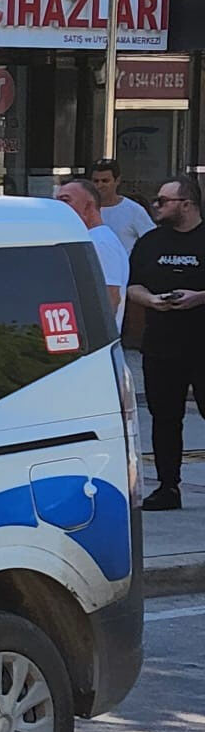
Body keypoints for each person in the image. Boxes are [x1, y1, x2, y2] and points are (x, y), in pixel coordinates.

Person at [126, 176, 205, 511]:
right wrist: (153, 300)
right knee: (164, 417)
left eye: (163, 200)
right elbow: (133, 286)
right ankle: (168, 487)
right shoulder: (150, 243)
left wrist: (198, 297)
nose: (156, 206)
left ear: (186, 204)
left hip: (201, 345)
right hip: (161, 345)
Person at [55, 178, 128, 330]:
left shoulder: (100, 242)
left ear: (88, 206)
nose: (59, 207)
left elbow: (110, 297)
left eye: (65, 201)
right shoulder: (91, 240)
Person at [90, 158, 155, 251]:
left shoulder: (134, 210)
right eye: (96, 181)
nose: (99, 185)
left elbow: (151, 240)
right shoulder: (84, 209)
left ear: (117, 180)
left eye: (105, 181)